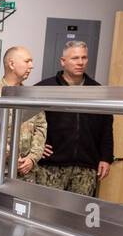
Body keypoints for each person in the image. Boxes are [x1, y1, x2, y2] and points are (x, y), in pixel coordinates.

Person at [34, 40, 114, 196]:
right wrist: (37, 147)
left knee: (78, 216)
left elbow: (106, 127)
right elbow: (28, 124)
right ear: (63, 61)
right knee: (47, 212)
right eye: (75, 58)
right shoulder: (44, 88)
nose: (80, 62)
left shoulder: (98, 91)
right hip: (51, 166)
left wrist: (106, 158)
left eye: (84, 58)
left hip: (86, 168)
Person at [0, 45, 51, 178]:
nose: (31, 66)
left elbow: (41, 127)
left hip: (27, 171)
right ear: (11, 64)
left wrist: (32, 158)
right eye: (27, 61)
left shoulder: (32, 97)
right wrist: (12, 156)